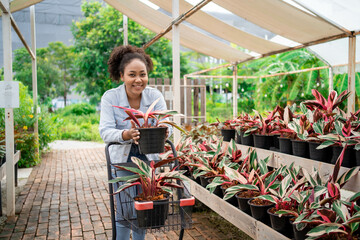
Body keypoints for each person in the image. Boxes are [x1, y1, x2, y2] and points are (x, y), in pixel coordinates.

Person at [99, 45, 172, 240]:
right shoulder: (110, 97)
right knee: (125, 212)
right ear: (121, 75)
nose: (138, 80)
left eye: (143, 74)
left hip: (149, 159)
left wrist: (162, 133)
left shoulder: (154, 96)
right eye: (132, 74)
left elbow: (168, 125)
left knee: (143, 209)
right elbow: (105, 131)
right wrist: (126, 134)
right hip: (123, 160)